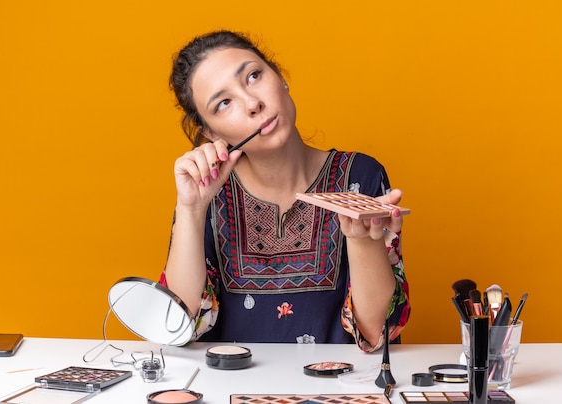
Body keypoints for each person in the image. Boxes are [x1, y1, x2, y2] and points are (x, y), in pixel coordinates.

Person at [160, 30, 410, 352]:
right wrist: (191, 210)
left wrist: (362, 240)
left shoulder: (360, 176)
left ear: (280, 78)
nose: (252, 103)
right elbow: (180, 327)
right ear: (209, 132)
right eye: (224, 103)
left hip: (337, 392)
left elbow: (379, 335)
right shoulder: (209, 194)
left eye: (253, 76)